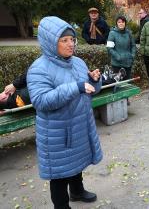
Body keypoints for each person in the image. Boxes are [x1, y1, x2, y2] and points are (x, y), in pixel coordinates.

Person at [27, 16, 103, 209]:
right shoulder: (39, 69)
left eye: (72, 39)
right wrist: (75, 87)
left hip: (78, 125)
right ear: (51, 42)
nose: (71, 44)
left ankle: (77, 191)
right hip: (57, 132)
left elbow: (89, 90)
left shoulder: (77, 62)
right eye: (64, 40)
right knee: (60, 175)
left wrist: (94, 80)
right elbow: (41, 101)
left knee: (76, 164)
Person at [106, 15, 136, 80]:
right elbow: (109, 48)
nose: (121, 23)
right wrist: (117, 56)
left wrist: (132, 55)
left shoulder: (129, 33)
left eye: (123, 22)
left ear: (125, 23)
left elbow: (133, 45)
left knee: (126, 82)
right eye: (119, 22)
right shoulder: (112, 33)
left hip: (128, 62)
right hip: (117, 63)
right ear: (116, 23)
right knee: (117, 83)